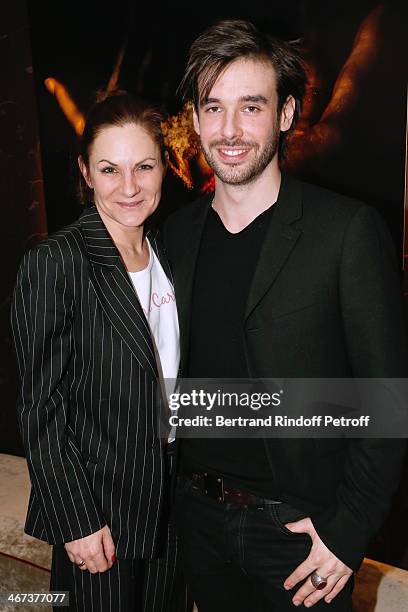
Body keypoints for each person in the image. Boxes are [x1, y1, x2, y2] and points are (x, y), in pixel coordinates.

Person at [163, 19, 408, 611]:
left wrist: (348, 534)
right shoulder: (173, 236)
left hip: (300, 537)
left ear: (286, 114)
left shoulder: (346, 231)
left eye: (251, 106)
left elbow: (389, 400)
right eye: (213, 108)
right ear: (195, 121)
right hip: (195, 522)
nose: (229, 130)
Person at [11, 92, 185, 611]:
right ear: (86, 172)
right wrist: (76, 519)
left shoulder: (169, 251)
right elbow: (40, 408)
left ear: (164, 168)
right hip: (99, 505)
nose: (129, 187)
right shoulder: (56, 262)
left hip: (175, 499)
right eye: (110, 168)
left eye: (144, 166)